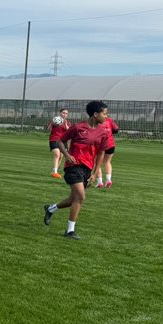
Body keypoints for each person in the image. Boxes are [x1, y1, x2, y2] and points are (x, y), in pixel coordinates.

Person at [42, 101, 110, 240]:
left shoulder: (103, 132)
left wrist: (95, 173)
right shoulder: (78, 127)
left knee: (73, 199)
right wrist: (67, 155)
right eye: (104, 113)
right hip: (73, 167)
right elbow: (60, 141)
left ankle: (50, 209)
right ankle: (70, 231)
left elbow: (101, 153)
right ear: (95, 114)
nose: (106, 116)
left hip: (87, 169)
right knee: (81, 197)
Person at [93, 109, 119, 188]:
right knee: (107, 162)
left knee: (97, 163)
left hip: (100, 145)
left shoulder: (96, 121)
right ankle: (108, 180)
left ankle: (100, 182)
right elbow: (116, 129)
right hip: (110, 144)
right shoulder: (110, 120)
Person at [47, 107, 71, 178]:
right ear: (60, 113)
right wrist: (52, 123)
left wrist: (66, 125)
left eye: (66, 113)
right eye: (63, 113)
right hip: (54, 139)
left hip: (63, 141)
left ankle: (54, 170)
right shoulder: (55, 120)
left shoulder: (68, 122)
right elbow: (48, 129)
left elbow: (69, 131)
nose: (64, 114)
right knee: (57, 154)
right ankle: (55, 172)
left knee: (60, 156)